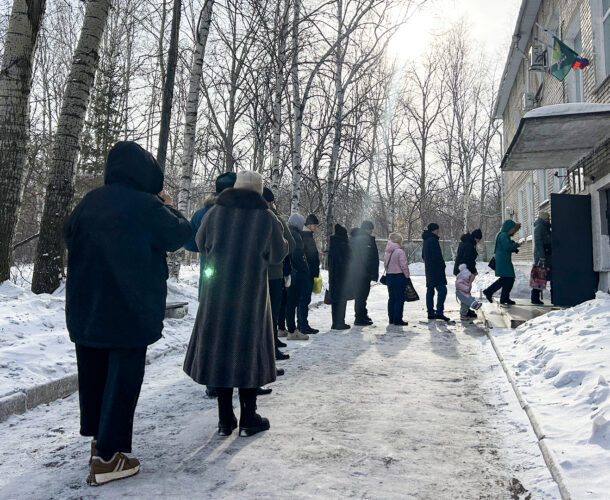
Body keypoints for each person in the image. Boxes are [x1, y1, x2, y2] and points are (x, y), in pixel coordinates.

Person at [63, 141, 191, 485]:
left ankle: (97, 442)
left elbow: (67, 235)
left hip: (87, 309)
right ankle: (109, 457)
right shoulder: (146, 205)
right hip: (129, 310)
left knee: (94, 377)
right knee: (123, 381)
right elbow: (180, 234)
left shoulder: (88, 202)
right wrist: (170, 206)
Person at [183, 171, 288, 437]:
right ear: (259, 192)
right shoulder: (266, 218)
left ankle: (224, 418)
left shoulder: (214, 214)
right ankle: (248, 417)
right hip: (250, 297)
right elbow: (278, 254)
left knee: (220, 348)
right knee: (248, 350)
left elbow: (199, 243)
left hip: (217, 294)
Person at [183, 172, 236, 400]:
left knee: (211, 329)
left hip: (210, 278)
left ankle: (212, 382)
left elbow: (189, 242)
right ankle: (233, 378)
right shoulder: (238, 212)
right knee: (233, 331)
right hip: (235, 281)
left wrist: (206, 249)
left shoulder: (202, 213)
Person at [262, 187, 295, 359]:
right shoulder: (273, 218)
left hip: (252, 274)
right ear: (271, 201)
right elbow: (290, 244)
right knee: (271, 313)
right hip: (273, 272)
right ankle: (271, 349)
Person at [483, 219, 522, 305]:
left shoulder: (500, 234)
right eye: (513, 229)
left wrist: (513, 248)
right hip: (503, 261)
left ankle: (503, 297)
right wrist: (516, 245)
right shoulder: (504, 235)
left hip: (502, 259)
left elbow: (504, 247)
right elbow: (507, 247)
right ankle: (490, 292)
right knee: (509, 278)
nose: (513, 231)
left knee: (506, 279)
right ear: (509, 228)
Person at [285, 213, 311, 340]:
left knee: (289, 302)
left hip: (290, 272)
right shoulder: (295, 236)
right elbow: (299, 256)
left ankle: (288, 328)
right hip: (296, 274)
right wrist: (305, 270)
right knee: (292, 302)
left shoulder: (288, 232)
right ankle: (292, 329)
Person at [349, 221, 379, 326]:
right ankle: (359, 317)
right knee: (362, 296)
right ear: (367, 229)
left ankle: (361, 315)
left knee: (359, 295)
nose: (371, 232)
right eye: (371, 229)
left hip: (355, 272)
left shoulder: (353, 239)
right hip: (363, 272)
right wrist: (372, 273)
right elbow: (370, 258)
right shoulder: (366, 240)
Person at [422, 223, 449, 321]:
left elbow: (423, 256)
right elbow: (437, 256)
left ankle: (430, 312)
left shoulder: (426, 240)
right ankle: (439, 312)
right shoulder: (433, 240)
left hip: (429, 269)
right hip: (436, 270)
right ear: (433, 230)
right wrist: (442, 265)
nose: (438, 231)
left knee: (430, 290)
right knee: (442, 291)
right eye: (437, 229)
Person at [453, 228, 483, 318]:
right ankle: (466, 311)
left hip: (461, 270)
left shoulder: (465, 243)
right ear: (475, 238)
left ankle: (465, 311)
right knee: (465, 291)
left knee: (465, 290)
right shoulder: (469, 246)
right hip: (464, 272)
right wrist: (473, 271)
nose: (478, 241)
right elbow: (468, 260)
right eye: (478, 239)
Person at [299, 214, 321, 334]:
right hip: (307, 272)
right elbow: (309, 254)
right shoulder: (306, 235)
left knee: (303, 300)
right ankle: (303, 325)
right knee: (304, 299)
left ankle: (302, 324)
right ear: (309, 225)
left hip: (307, 271)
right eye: (315, 225)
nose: (316, 228)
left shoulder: (305, 235)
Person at [383, 233, 410, 326]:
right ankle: (398, 319)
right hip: (399, 276)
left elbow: (385, 264)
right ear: (399, 241)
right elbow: (404, 265)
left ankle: (391, 318)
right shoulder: (400, 251)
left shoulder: (387, 251)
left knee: (392, 298)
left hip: (390, 276)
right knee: (399, 299)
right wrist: (407, 276)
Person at [328, 224, 351, 330]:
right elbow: (347, 261)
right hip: (343, 276)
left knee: (335, 300)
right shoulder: (343, 244)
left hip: (333, 275)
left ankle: (335, 322)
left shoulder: (332, 244)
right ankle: (340, 322)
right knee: (342, 299)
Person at [532, 211, 552, 305]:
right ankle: (535, 298)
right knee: (540, 276)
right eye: (548, 218)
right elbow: (539, 243)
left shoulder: (544, 227)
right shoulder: (540, 227)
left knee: (542, 276)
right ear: (544, 219)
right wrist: (542, 257)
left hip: (546, 256)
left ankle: (536, 297)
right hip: (542, 257)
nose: (549, 220)